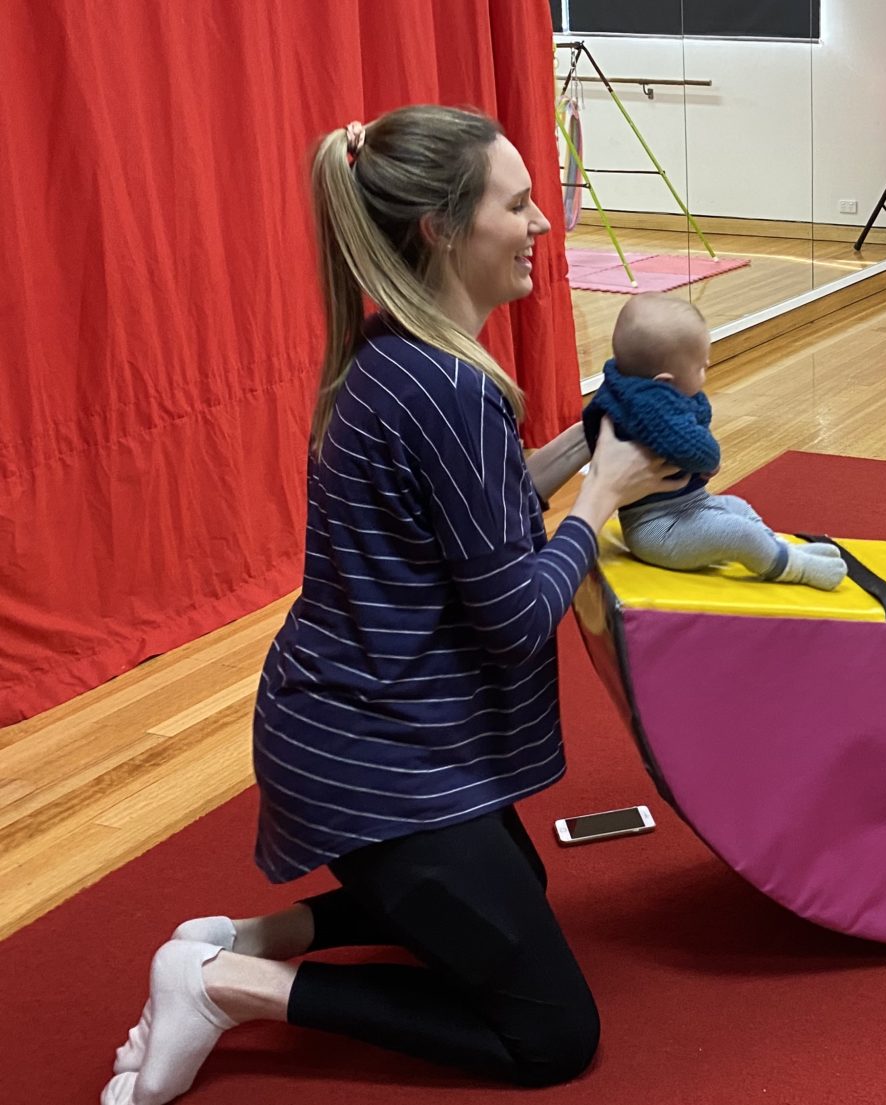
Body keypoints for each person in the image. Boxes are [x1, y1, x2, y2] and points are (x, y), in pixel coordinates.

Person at [102, 105, 689, 1105]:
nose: (542, 222)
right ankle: (227, 986)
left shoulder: (399, 351)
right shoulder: (450, 387)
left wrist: (585, 447)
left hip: (349, 726)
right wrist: (600, 499)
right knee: (553, 1035)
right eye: (517, 204)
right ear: (442, 229)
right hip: (372, 756)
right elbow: (513, 618)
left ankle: (248, 936)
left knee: (520, 889)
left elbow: (479, 515)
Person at [581, 293, 846, 590]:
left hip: (689, 506)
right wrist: (710, 460)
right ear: (665, 382)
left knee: (738, 507)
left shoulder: (629, 386)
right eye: (701, 369)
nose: (706, 371)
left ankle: (777, 549)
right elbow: (698, 451)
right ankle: (793, 568)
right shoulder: (649, 407)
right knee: (737, 532)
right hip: (658, 528)